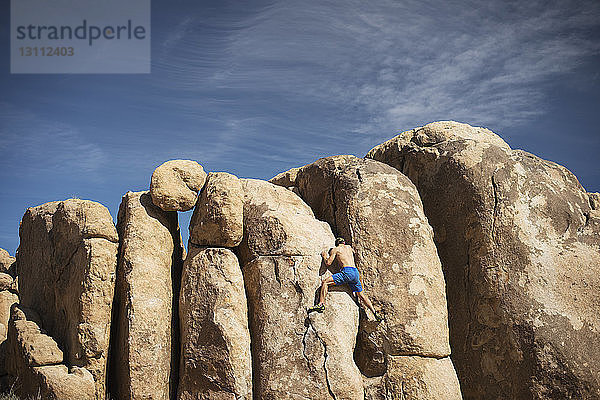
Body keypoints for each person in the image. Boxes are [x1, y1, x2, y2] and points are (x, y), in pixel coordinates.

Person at [308, 237, 381, 321]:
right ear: (344, 242)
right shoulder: (349, 248)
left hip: (347, 272)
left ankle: (321, 304)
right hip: (355, 272)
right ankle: (374, 312)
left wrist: (324, 257)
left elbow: (328, 263)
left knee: (325, 282)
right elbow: (354, 253)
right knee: (361, 294)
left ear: (336, 244)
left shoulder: (336, 249)